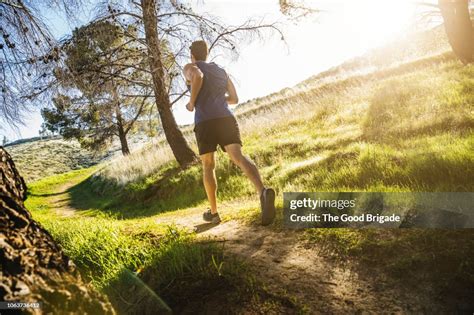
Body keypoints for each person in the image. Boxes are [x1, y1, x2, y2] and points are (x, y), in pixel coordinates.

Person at [183, 40, 275, 226]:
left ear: (192, 55)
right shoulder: (221, 71)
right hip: (225, 118)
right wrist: (217, 97)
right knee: (239, 157)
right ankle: (263, 192)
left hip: (205, 121)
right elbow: (234, 99)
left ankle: (214, 213)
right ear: (207, 53)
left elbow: (198, 76)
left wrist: (192, 102)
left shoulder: (190, 66)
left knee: (208, 166)